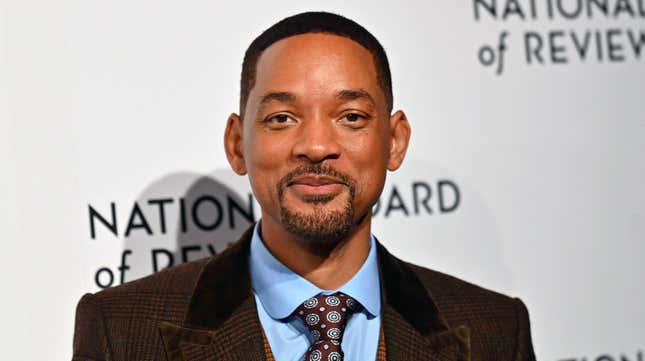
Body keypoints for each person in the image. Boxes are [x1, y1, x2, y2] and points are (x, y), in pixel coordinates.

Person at [72, 11, 536, 361]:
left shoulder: (493, 330)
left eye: (350, 117)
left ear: (394, 142)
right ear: (237, 144)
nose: (315, 146)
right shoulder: (122, 331)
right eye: (282, 118)